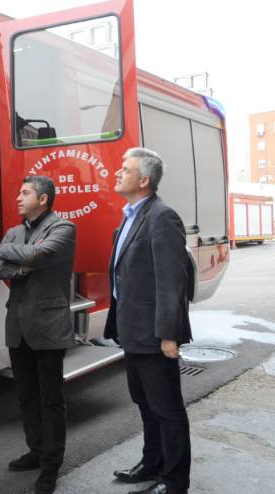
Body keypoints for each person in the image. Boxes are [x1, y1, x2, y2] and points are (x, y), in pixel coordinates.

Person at [105, 147, 192, 494]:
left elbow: (172, 281)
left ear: (144, 180)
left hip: (155, 335)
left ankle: (174, 481)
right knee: (145, 403)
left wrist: (169, 335)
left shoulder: (162, 216)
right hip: (133, 331)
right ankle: (152, 463)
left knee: (167, 409)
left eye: (125, 170)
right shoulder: (130, 215)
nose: (117, 173)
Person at [0, 175, 75, 494]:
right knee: (26, 397)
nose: (18, 198)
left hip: (48, 326)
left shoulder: (63, 228)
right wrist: (21, 267)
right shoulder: (14, 231)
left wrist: (9, 251)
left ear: (43, 199)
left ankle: (51, 465)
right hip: (18, 327)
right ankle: (36, 451)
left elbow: (41, 255)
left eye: (25, 193)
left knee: (51, 400)